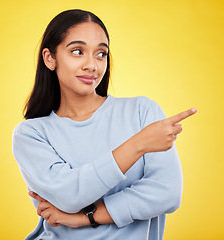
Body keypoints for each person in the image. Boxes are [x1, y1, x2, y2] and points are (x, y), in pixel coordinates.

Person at [12, 9, 197, 240]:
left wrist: (84, 217)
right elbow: (70, 196)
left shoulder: (142, 111)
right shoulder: (31, 134)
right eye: (78, 51)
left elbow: (167, 193)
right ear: (50, 58)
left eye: (101, 54)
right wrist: (138, 144)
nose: (92, 65)